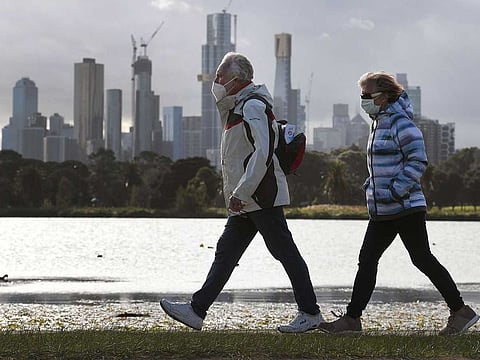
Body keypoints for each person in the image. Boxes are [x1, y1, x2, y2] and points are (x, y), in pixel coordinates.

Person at [160, 52, 324, 333]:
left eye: (221, 76)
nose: (216, 81)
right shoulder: (238, 106)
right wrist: (240, 194)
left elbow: (263, 152)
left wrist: (242, 191)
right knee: (226, 252)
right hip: (246, 201)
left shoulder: (252, 107)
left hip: (259, 196)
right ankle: (196, 311)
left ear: (237, 80)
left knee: (284, 252)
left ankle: (310, 313)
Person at [318, 71, 479, 335]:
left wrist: (395, 190)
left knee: (422, 258)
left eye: (366, 95)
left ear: (383, 96)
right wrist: (372, 186)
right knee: (367, 259)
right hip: (382, 209)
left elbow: (418, 161)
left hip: (404, 207)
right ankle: (352, 320)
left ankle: (461, 311)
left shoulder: (401, 123)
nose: (363, 100)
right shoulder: (378, 122)